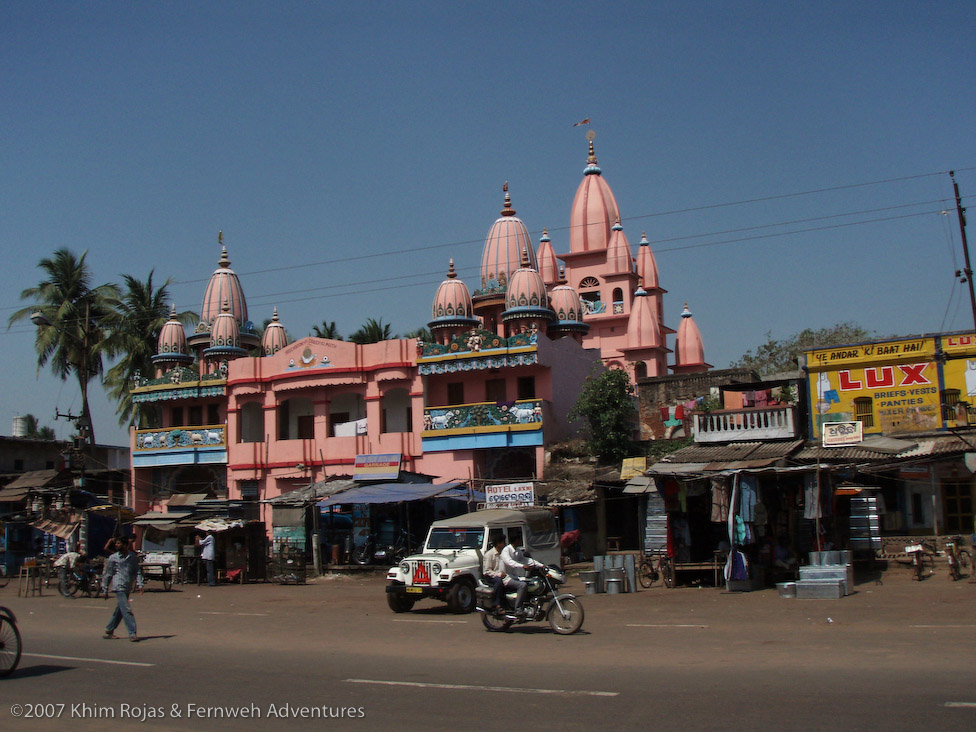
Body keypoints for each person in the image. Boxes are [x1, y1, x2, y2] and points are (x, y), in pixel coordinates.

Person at [101, 536, 143, 642]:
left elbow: (137, 571)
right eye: (116, 543)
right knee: (127, 610)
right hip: (118, 586)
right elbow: (108, 574)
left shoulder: (132, 557)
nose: (116, 545)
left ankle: (109, 630)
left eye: (119, 543)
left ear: (125, 545)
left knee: (120, 610)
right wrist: (104, 589)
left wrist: (140, 584)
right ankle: (132, 633)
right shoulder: (113, 558)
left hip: (127, 585)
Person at [499, 530, 543, 617]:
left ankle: (528, 603)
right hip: (506, 578)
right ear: (516, 540)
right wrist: (522, 566)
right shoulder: (506, 550)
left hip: (514, 577)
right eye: (519, 539)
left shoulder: (517, 550)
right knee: (522, 585)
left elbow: (525, 560)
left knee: (531, 582)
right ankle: (518, 609)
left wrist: (541, 565)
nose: (520, 541)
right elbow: (509, 562)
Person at [482, 534, 506, 608]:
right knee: (498, 582)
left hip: (503, 575)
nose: (505, 544)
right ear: (498, 543)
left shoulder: (504, 553)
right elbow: (487, 571)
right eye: (503, 542)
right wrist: (498, 575)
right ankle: (496, 604)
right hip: (491, 576)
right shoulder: (489, 554)